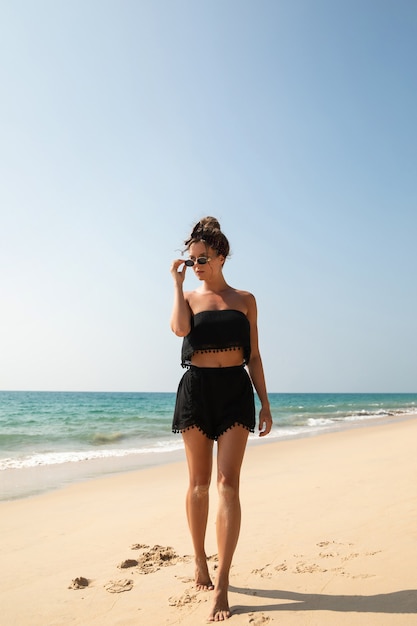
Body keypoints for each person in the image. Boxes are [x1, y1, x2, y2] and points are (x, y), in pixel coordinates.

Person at [170, 217, 272, 622]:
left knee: (228, 485)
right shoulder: (190, 298)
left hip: (234, 390)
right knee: (198, 485)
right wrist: (177, 287)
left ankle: (224, 581)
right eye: (191, 259)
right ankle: (199, 560)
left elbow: (256, 356)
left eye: (203, 258)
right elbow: (179, 329)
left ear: (221, 256)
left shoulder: (245, 299)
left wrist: (265, 402)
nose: (196, 264)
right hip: (196, 389)